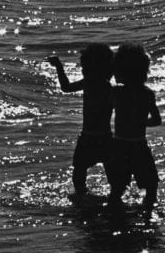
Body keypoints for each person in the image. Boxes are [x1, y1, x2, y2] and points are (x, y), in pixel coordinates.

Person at [46, 44, 114, 198]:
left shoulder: (92, 84)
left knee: (79, 173)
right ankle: (113, 198)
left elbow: (66, 87)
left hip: (90, 137)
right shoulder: (106, 87)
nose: (83, 71)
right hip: (105, 137)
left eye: (85, 68)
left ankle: (82, 198)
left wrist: (58, 66)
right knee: (111, 175)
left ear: (95, 68)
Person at [106, 43, 161, 210]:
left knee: (117, 188)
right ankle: (148, 215)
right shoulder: (147, 93)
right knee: (151, 187)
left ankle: (114, 215)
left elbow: (103, 113)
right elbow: (157, 120)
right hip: (139, 144)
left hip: (119, 145)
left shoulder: (116, 92)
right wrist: (140, 122)